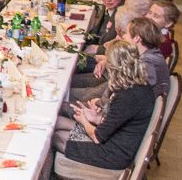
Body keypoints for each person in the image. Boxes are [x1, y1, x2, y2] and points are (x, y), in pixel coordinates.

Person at [54, 40, 155, 171]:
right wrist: (95, 117)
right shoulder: (139, 85)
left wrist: (84, 121)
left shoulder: (127, 97)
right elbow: (117, 122)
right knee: (57, 122)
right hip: (113, 138)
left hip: (112, 153)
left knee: (56, 137)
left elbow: (97, 137)